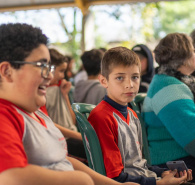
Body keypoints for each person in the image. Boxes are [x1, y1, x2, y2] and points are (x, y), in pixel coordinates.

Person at [0, 23, 139, 185]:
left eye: (49, 66)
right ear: (7, 71)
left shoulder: (35, 109)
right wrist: (81, 180)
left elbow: (63, 161)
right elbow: (10, 177)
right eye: (42, 66)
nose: (50, 75)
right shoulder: (4, 115)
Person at [88, 46, 193, 185]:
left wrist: (162, 172)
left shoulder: (132, 114)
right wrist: (159, 183)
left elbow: (138, 165)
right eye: (120, 78)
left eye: (135, 77)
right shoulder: (102, 117)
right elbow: (114, 178)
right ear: (103, 81)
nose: (129, 84)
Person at [142, 32, 195, 185]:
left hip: (186, 156)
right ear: (185, 57)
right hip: (175, 162)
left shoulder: (170, 81)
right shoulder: (169, 88)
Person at [44, 48, 86, 160]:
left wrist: (65, 95)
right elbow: (46, 123)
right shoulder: (44, 92)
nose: (63, 76)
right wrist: (79, 136)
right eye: (61, 71)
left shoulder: (59, 88)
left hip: (70, 136)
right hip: (61, 140)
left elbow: (71, 121)